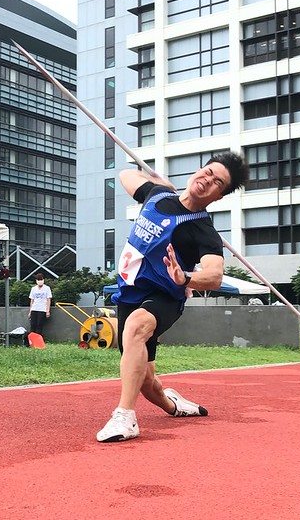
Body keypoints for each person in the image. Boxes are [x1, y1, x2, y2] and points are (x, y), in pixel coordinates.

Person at [97, 152, 249, 443]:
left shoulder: (202, 230)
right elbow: (126, 176)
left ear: (218, 196)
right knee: (145, 382)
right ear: (197, 171)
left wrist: (186, 278)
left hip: (164, 296)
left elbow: (215, 275)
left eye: (217, 183)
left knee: (136, 328)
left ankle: (125, 417)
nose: (207, 181)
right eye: (207, 172)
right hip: (129, 293)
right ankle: (174, 405)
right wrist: (157, 181)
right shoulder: (156, 197)